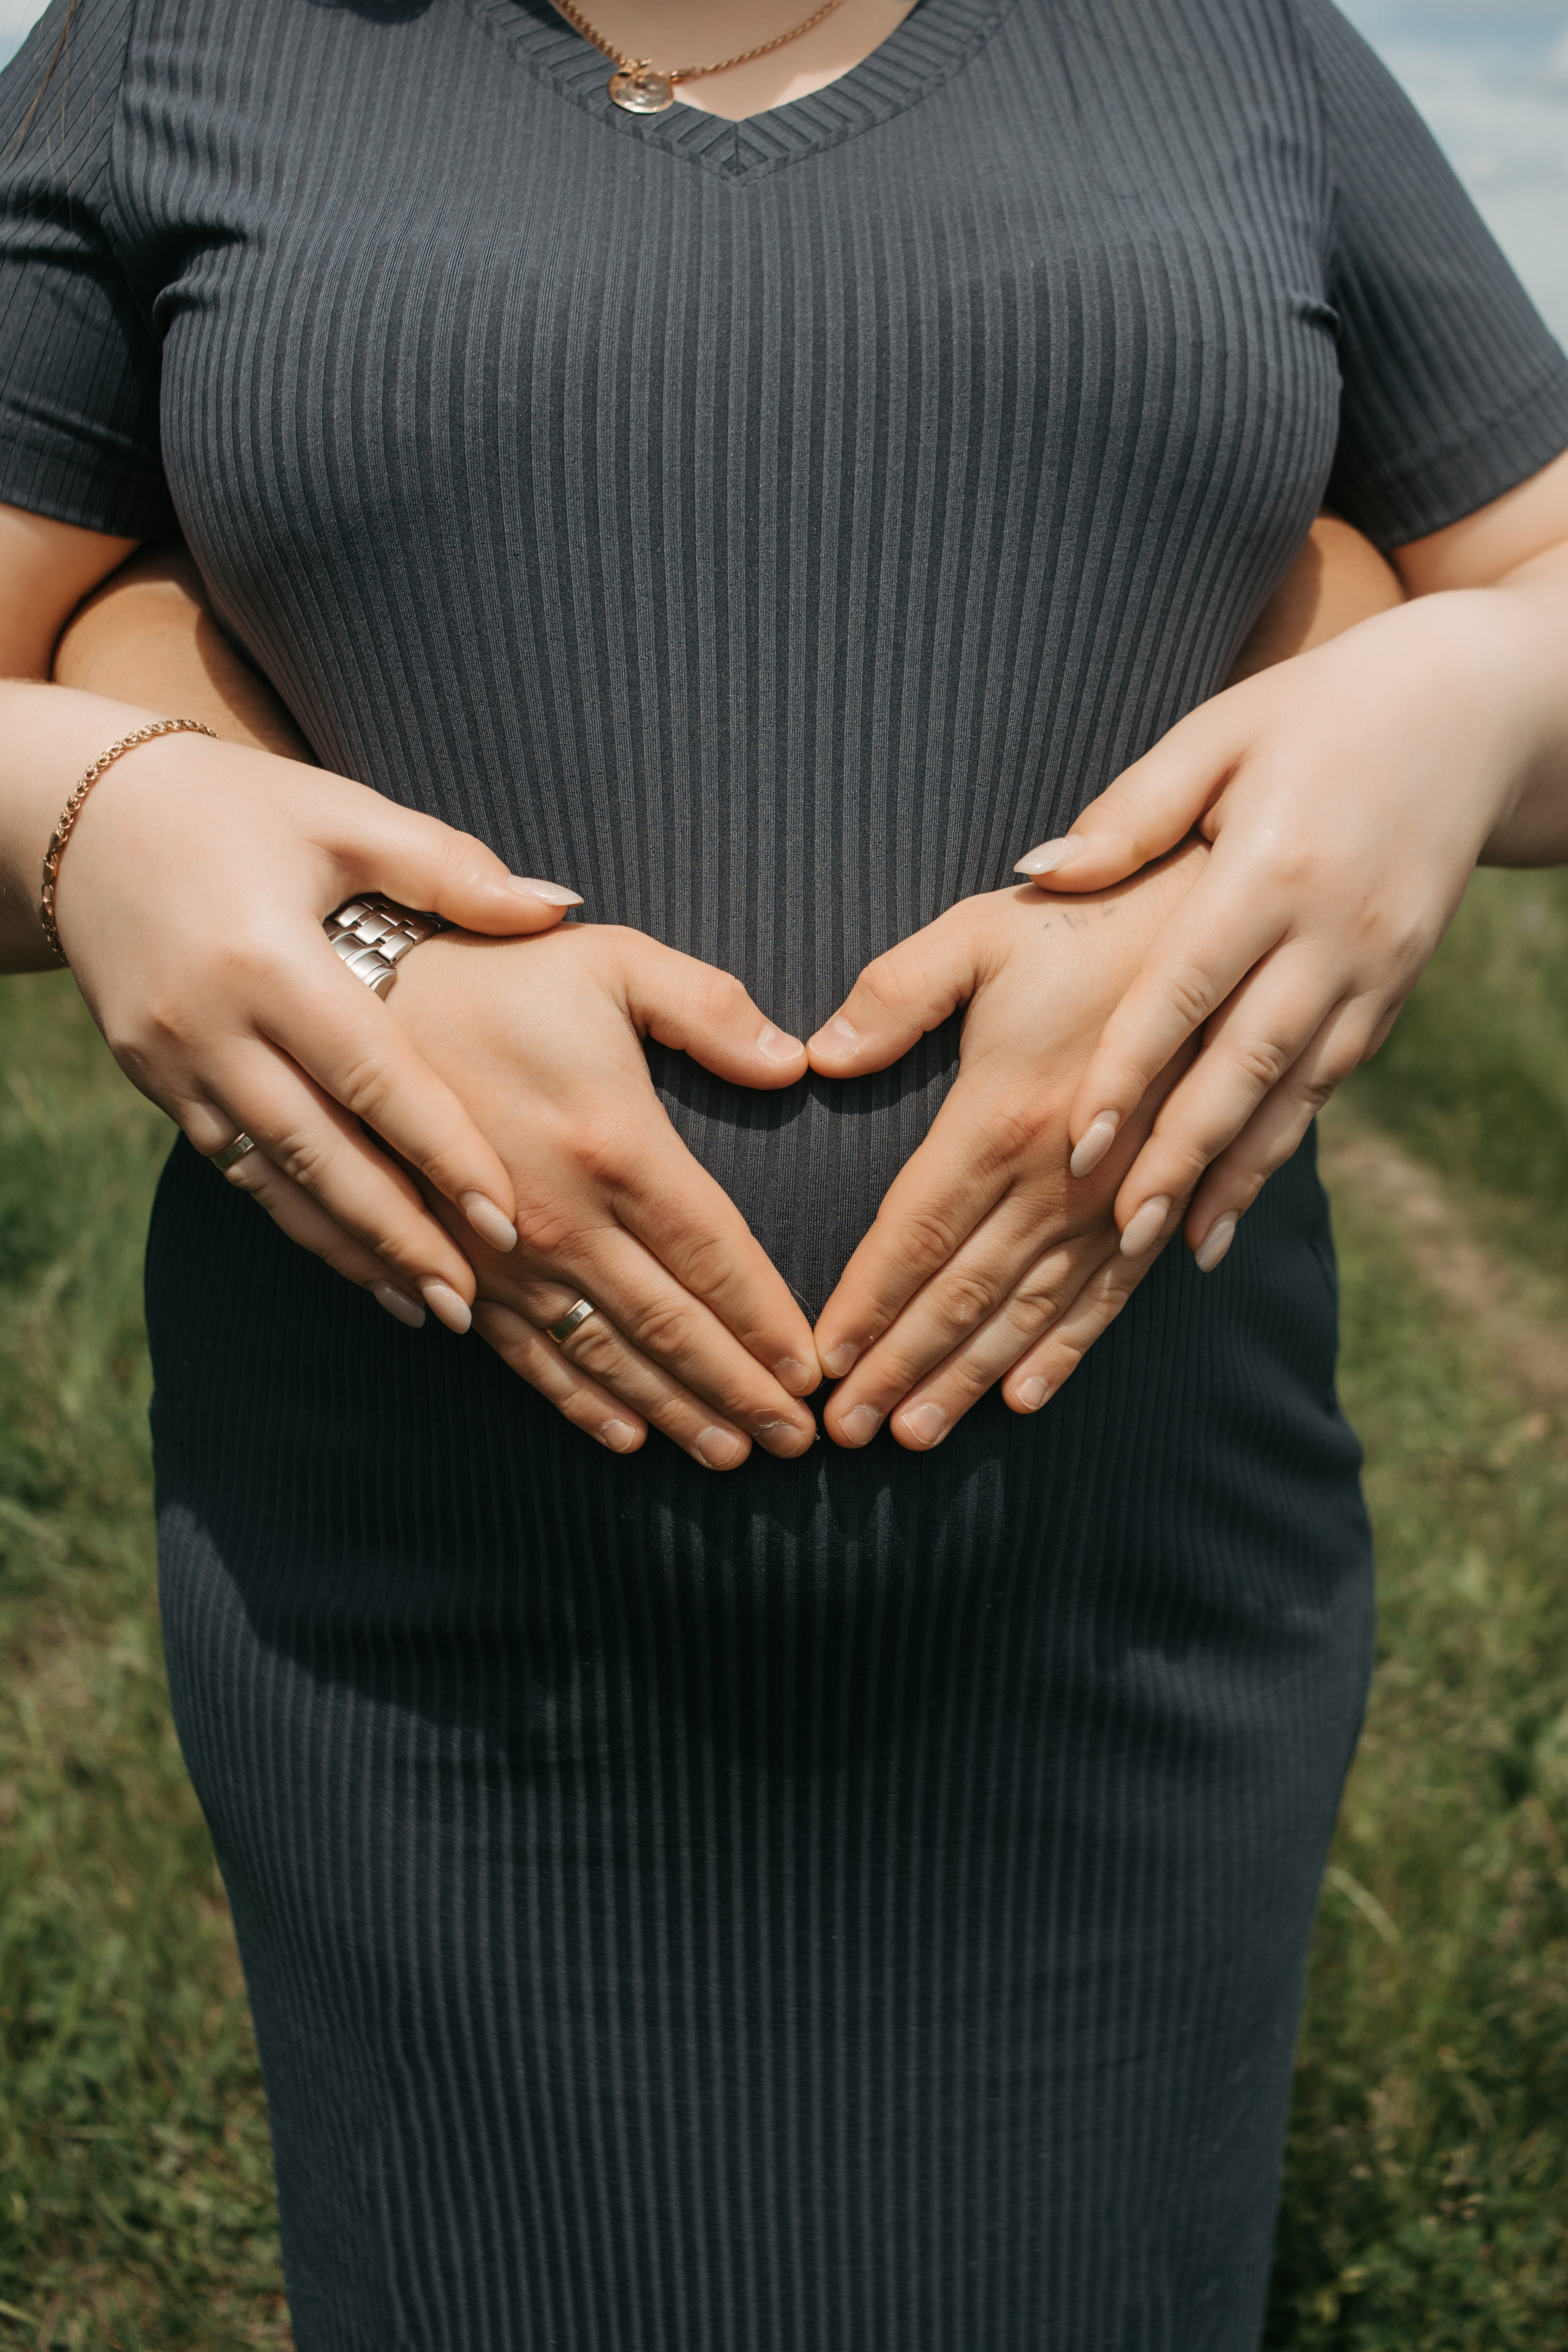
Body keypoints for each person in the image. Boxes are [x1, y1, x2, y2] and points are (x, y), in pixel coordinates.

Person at [1, 0, 1566, 2342]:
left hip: (1128, 1624)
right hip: (430, 1643)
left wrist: (1466, 692)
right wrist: (102, 813)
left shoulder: (1232, 40)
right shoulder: (174, 42)